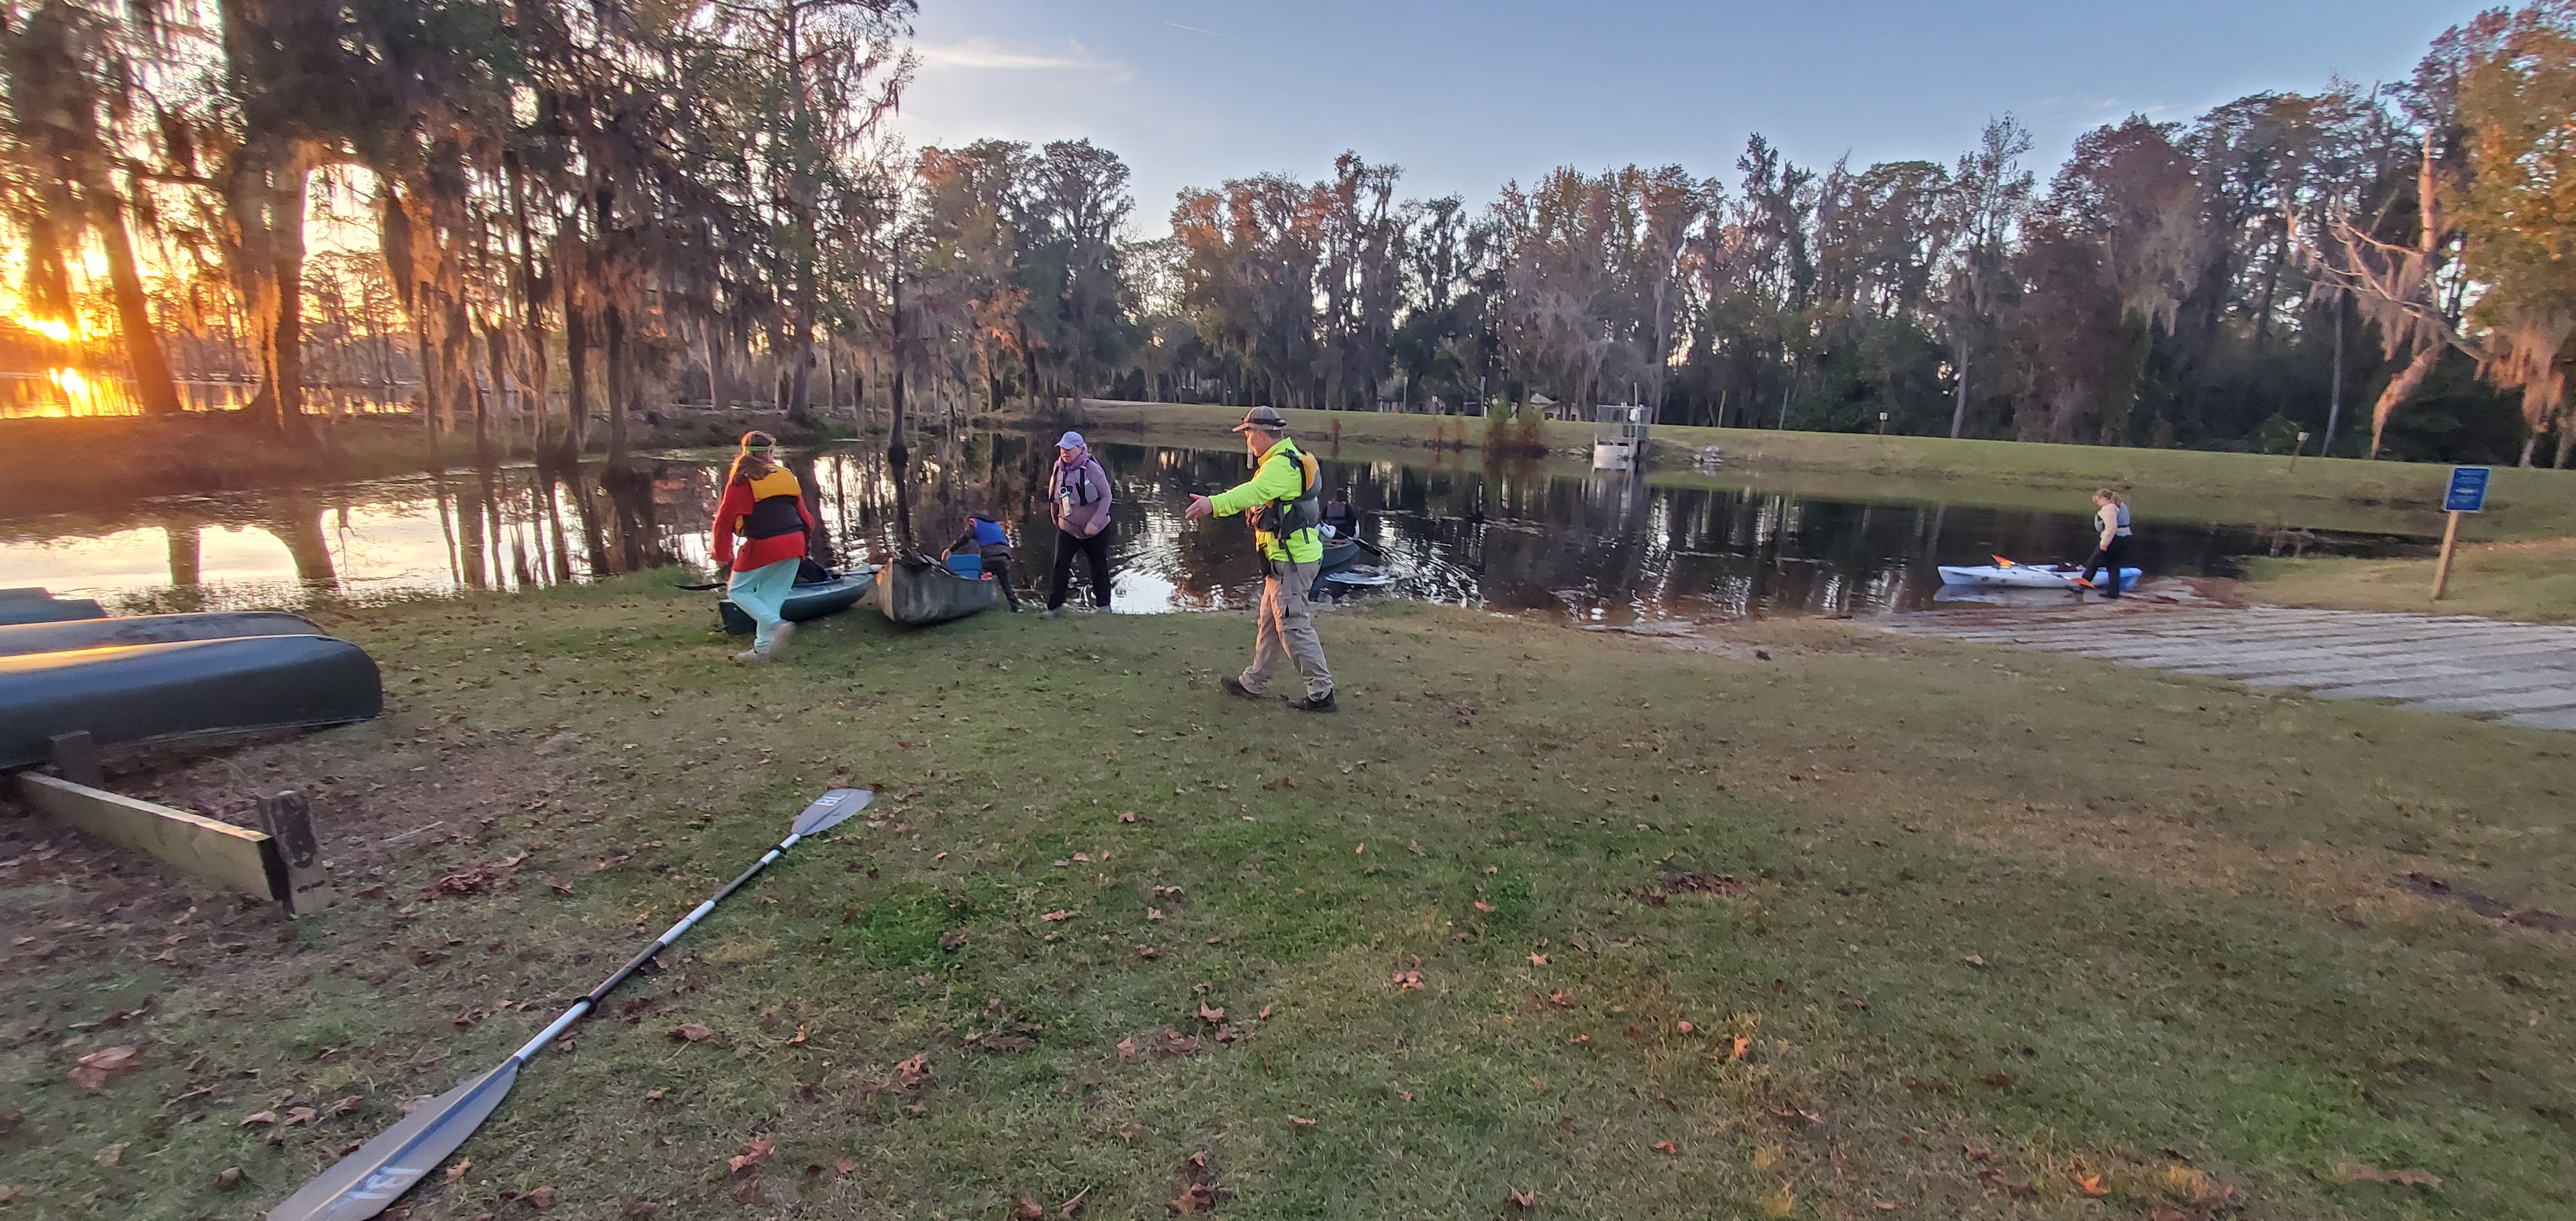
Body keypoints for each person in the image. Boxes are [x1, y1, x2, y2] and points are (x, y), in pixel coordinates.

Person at [1183, 406, 1336, 712]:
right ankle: (1254, 682)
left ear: (1263, 434)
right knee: (1269, 621)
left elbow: (1252, 493)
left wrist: (1213, 504)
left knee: (1292, 625)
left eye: (1249, 434)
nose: (1248, 441)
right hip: (1282, 559)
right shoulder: (1285, 456)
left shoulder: (1280, 467)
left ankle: (1322, 692)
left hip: (1292, 562)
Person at [710, 431, 817, 661]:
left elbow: (724, 520)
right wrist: (803, 550)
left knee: (737, 590)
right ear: (770, 453)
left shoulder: (741, 481)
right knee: (770, 599)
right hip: (795, 542)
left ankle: (775, 625)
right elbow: (807, 520)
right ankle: (764, 651)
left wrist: (722, 553)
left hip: (766, 544)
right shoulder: (786, 475)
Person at [1044, 431, 1114, 618]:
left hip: (1096, 531)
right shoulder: (1059, 467)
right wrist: (1054, 515)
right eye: (1062, 449)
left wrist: (1095, 523)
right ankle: (1054, 608)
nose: (1065, 452)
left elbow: (1107, 497)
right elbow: (1054, 495)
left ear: (1080, 449)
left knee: (1098, 566)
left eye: (1069, 449)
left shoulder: (1092, 469)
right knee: (1061, 564)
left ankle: (1104, 608)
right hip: (1068, 529)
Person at [945, 511, 1023, 612]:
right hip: (1004, 554)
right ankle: (1016, 606)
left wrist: (951, 549)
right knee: (1006, 583)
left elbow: (966, 537)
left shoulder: (973, 522)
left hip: (989, 555)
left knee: (981, 576)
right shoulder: (994, 524)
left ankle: (975, 602)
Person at [2077, 488, 2133, 598]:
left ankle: (2081, 587)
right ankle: (2113, 592)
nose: (2098, 505)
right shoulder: (2121, 505)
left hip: (2114, 538)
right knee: (2113, 565)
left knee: (2094, 563)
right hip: (2125, 538)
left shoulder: (2109, 508)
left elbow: (2111, 528)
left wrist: (2104, 543)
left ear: (2103, 498)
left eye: (2098, 501)